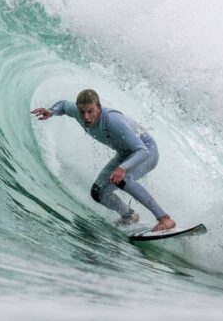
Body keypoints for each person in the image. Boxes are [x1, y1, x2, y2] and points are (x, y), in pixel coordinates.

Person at [31, 89, 176, 232]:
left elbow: (142, 151)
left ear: (99, 108)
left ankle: (164, 218)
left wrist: (122, 168)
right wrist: (51, 111)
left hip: (146, 151)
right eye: (82, 112)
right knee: (98, 192)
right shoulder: (78, 112)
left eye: (90, 111)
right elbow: (63, 105)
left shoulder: (112, 120)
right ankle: (129, 216)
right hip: (125, 153)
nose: (86, 117)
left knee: (123, 179)